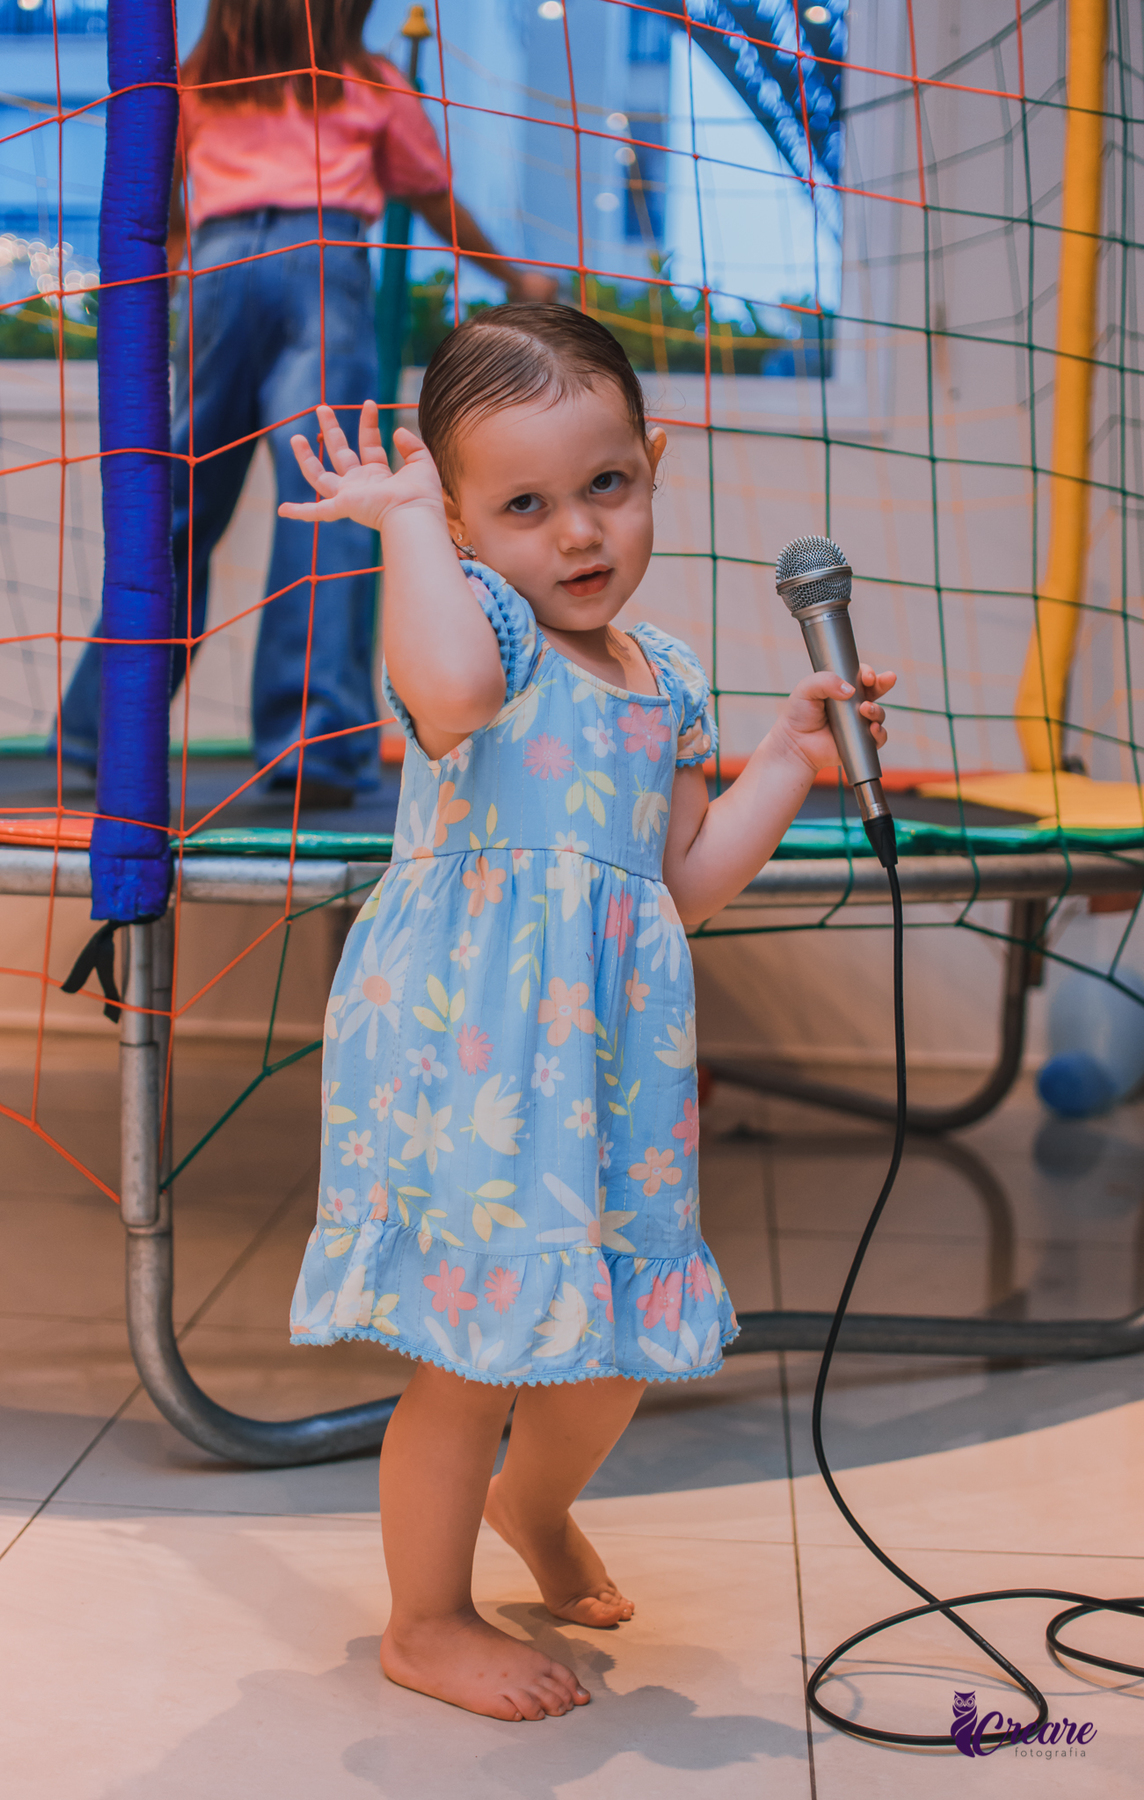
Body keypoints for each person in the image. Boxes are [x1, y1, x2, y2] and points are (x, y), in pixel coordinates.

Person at [282, 305, 895, 1719]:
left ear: (654, 462)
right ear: (462, 517)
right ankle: (424, 1619)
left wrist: (792, 762)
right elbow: (443, 692)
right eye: (523, 504)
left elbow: (679, 885)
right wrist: (407, 530)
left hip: (607, 1063)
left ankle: (532, 1509)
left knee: (611, 1347)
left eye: (605, 487)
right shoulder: (478, 625)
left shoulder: (669, 673)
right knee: (466, 1355)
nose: (574, 535)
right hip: (470, 1052)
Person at [55, 0, 555, 804]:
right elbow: (436, 198)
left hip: (217, 275)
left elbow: (167, 201)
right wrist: (517, 277)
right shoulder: (367, 81)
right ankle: (310, 744)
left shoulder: (200, 82)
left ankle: (99, 729)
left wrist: (177, 278)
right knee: (335, 496)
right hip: (322, 267)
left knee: (177, 508)